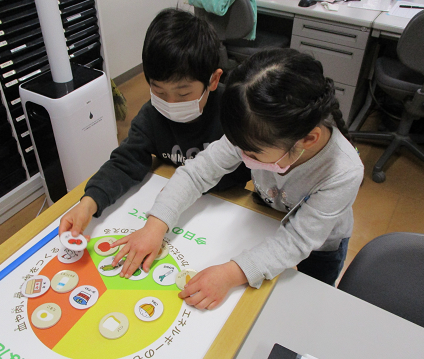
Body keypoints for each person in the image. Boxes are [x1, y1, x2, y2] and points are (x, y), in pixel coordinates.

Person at [109, 48, 364, 310]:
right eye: (238, 146)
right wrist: (156, 224)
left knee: (308, 306)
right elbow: (197, 172)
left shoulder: (343, 172)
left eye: (252, 153)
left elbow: (297, 241)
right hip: (267, 218)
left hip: (321, 246)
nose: (242, 155)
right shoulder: (253, 129)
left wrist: (231, 274)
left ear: (307, 140)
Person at [58, 8, 251, 238]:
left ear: (213, 79)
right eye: (158, 91)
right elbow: (125, 161)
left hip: (220, 210)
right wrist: (89, 202)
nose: (170, 103)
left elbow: (248, 175)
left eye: (182, 95)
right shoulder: (151, 115)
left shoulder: (233, 115)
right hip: (166, 207)